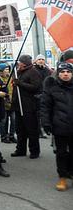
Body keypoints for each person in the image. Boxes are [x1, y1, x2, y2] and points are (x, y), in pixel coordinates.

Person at [40, 62, 73, 191]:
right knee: (61, 153)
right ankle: (63, 177)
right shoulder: (52, 88)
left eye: (68, 72)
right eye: (63, 72)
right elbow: (45, 106)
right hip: (60, 126)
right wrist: (46, 123)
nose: (65, 74)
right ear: (58, 74)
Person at [11, 55, 43, 159]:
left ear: (24, 63)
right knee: (20, 130)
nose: (18, 64)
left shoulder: (33, 72)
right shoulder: (19, 72)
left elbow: (35, 87)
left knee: (31, 130)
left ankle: (34, 151)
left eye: (20, 62)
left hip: (29, 106)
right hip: (18, 106)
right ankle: (20, 149)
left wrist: (20, 83)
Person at [0, 63, 16, 143]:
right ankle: (4, 136)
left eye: (8, 69)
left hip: (11, 102)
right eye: (6, 69)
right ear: (1, 70)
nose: (7, 71)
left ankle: (11, 135)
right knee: (4, 121)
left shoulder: (11, 78)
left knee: (13, 120)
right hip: (3, 103)